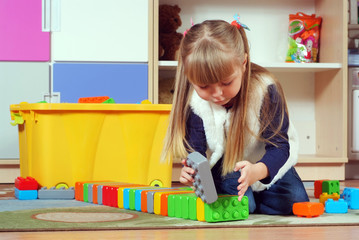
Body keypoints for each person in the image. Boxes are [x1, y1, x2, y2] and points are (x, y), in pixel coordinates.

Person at [160, 18, 309, 215]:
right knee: (243, 205)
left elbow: (280, 148)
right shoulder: (194, 103)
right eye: (204, 86)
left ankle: (256, 197)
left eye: (226, 83)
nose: (217, 94)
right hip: (227, 166)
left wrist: (256, 171)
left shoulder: (265, 89)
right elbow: (195, 152)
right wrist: (191, 171)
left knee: (295, 201)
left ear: (243, 64)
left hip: (267, 163)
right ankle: (252, 200)